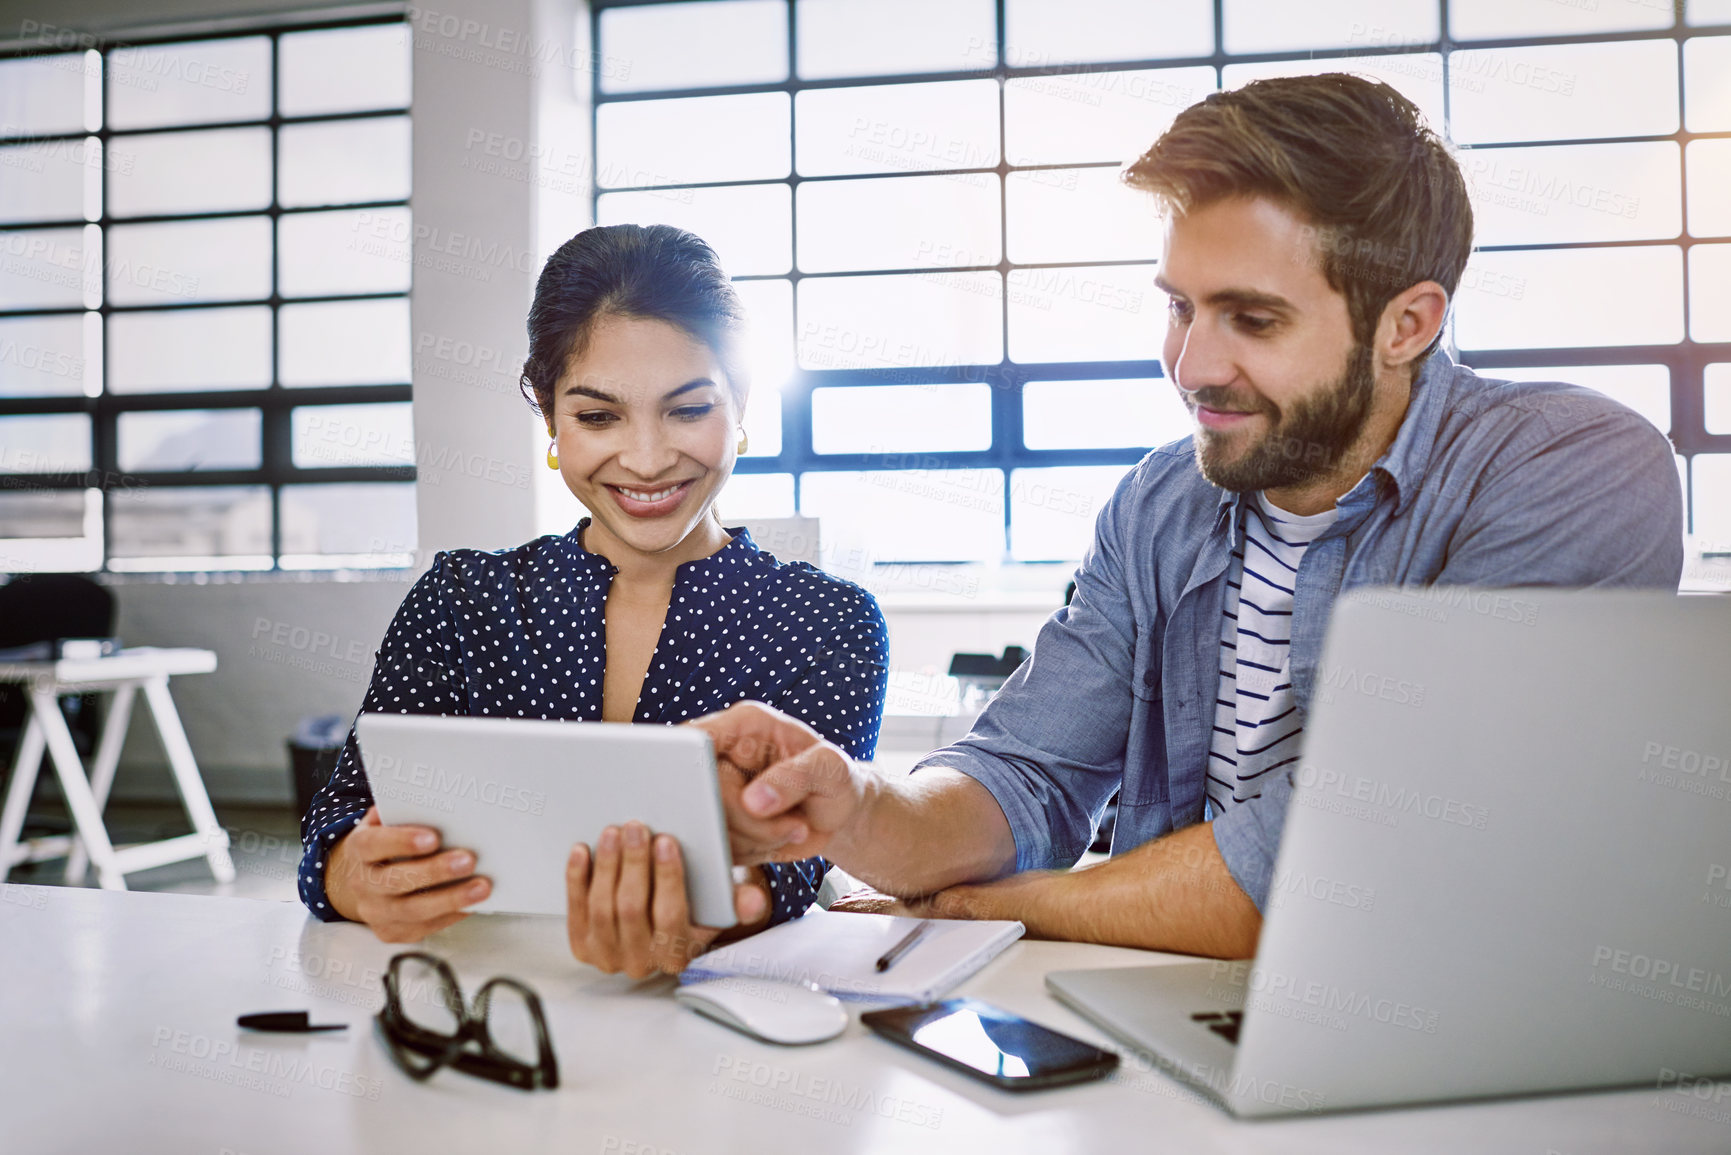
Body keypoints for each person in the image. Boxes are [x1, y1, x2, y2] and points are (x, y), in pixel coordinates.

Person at [689, 74, 1685, 958]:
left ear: (1407, 324)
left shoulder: (1571, 470)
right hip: (1174, 1003)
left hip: (1435, 1019)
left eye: (1253, 319)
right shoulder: (1161, 502)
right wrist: (859, 806)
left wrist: (1027, 906)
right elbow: (1026, 774)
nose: (1193, 367)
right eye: (1180, 307)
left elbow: (1369, 857)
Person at [297, 224, 888, 977]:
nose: (645, 459)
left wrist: (703, 923)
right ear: (547, 416)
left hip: (711, 1029)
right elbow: (338, 824)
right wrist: (356, 875)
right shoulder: (462, 600)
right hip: (477, 1004)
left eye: (687, 409)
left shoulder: (826, 622)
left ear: (740, 405)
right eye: (597, 416)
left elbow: (791, 870)